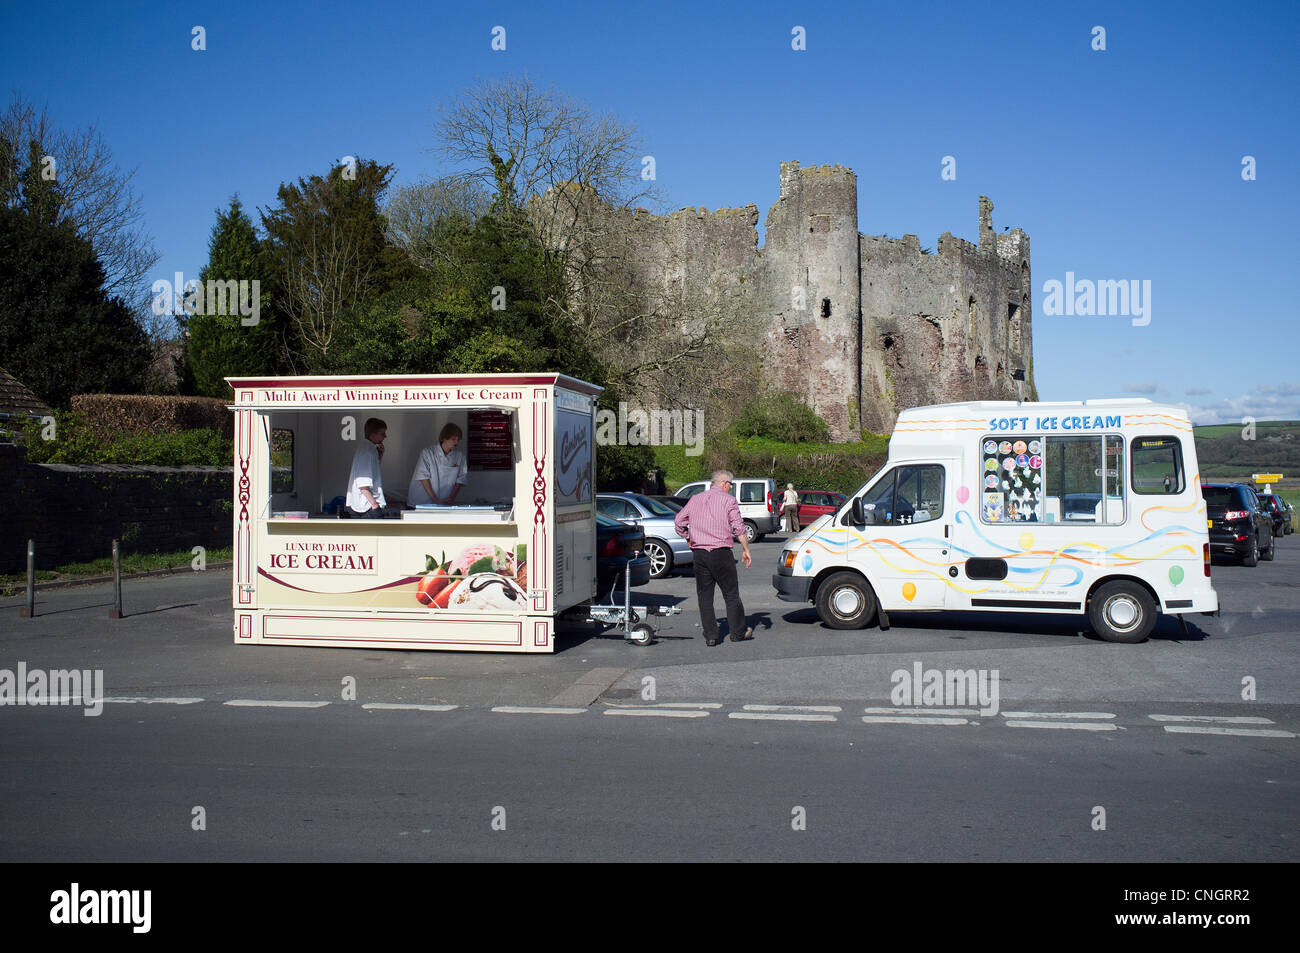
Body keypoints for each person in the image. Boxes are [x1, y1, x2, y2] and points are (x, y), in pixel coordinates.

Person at [674, 469, 753, 646]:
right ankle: (737, 633)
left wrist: (688, 537)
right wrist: (746, 549)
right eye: (730, 485)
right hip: (721, 552)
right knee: (731, 594)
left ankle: (711, 635)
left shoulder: (695, 499)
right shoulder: (729, 500)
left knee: (705, 596)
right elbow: (739, 528)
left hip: (700, 553)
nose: (730, 488)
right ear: (724, 483)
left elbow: (679, 522)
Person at [408, 422, 469, 505]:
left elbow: (460, 480)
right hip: (421, 501)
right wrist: (435, 499)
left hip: (444, 502)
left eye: (458, 439)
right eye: (453, 439)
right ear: (444, 438)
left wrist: (450, 498)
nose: (456, 442)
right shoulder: (427, 453)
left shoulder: (460, 457)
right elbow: (423, 477)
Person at [346, 418, 392, 518]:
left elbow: (372, 473)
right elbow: (363, 484)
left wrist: (380, 456)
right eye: (382, 433)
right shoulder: (367, 452)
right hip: (366, 507)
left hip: (364, 505)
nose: (385, 436)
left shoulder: (368, 449)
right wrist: (375, 505)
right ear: (372, 435)